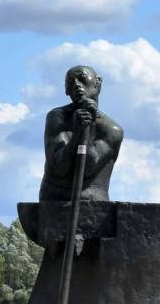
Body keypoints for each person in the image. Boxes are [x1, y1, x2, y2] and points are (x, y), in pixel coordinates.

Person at [40, 65, 124, 202]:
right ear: (66, 90)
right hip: (54, 199)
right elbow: (60, 168)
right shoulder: (57, 117)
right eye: (71, 83)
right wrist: (78, 133)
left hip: (92, 202)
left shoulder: (112, 130)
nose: (77, 85)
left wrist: (88, 129)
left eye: (82, 79)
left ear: (97, 83)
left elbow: (87, 169)